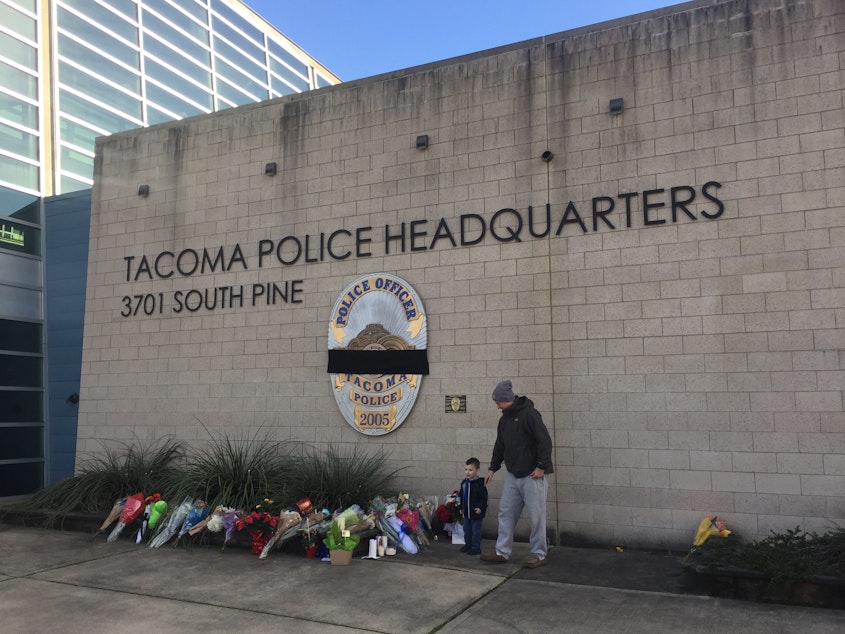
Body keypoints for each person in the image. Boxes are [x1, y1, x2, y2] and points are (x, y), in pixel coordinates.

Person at [481, 379, 553, 569]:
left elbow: (544, 441)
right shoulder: (504, 419)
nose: (496, 405)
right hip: (513, 475)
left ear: (507, 399)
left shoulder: (530, 414)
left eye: (498, 401)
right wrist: (492, 468)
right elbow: (500, 445)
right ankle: (501, 552)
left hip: (533, 475)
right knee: (506, 513)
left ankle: (539, 554)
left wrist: (542, 466)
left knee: (537, 516)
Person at [459, 457, 487, 556]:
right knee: (466, 530)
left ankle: (476, 547)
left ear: (477, 470)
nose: (468, 472)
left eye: (470, 470)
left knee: (476, 531)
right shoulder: (464, 483)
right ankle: (468, 544)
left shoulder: (480, 484)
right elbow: (461, 496)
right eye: (466, 469)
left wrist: (480, 507)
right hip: (467, 512)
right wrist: (461, 508)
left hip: (476, 513)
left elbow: (483, 498)